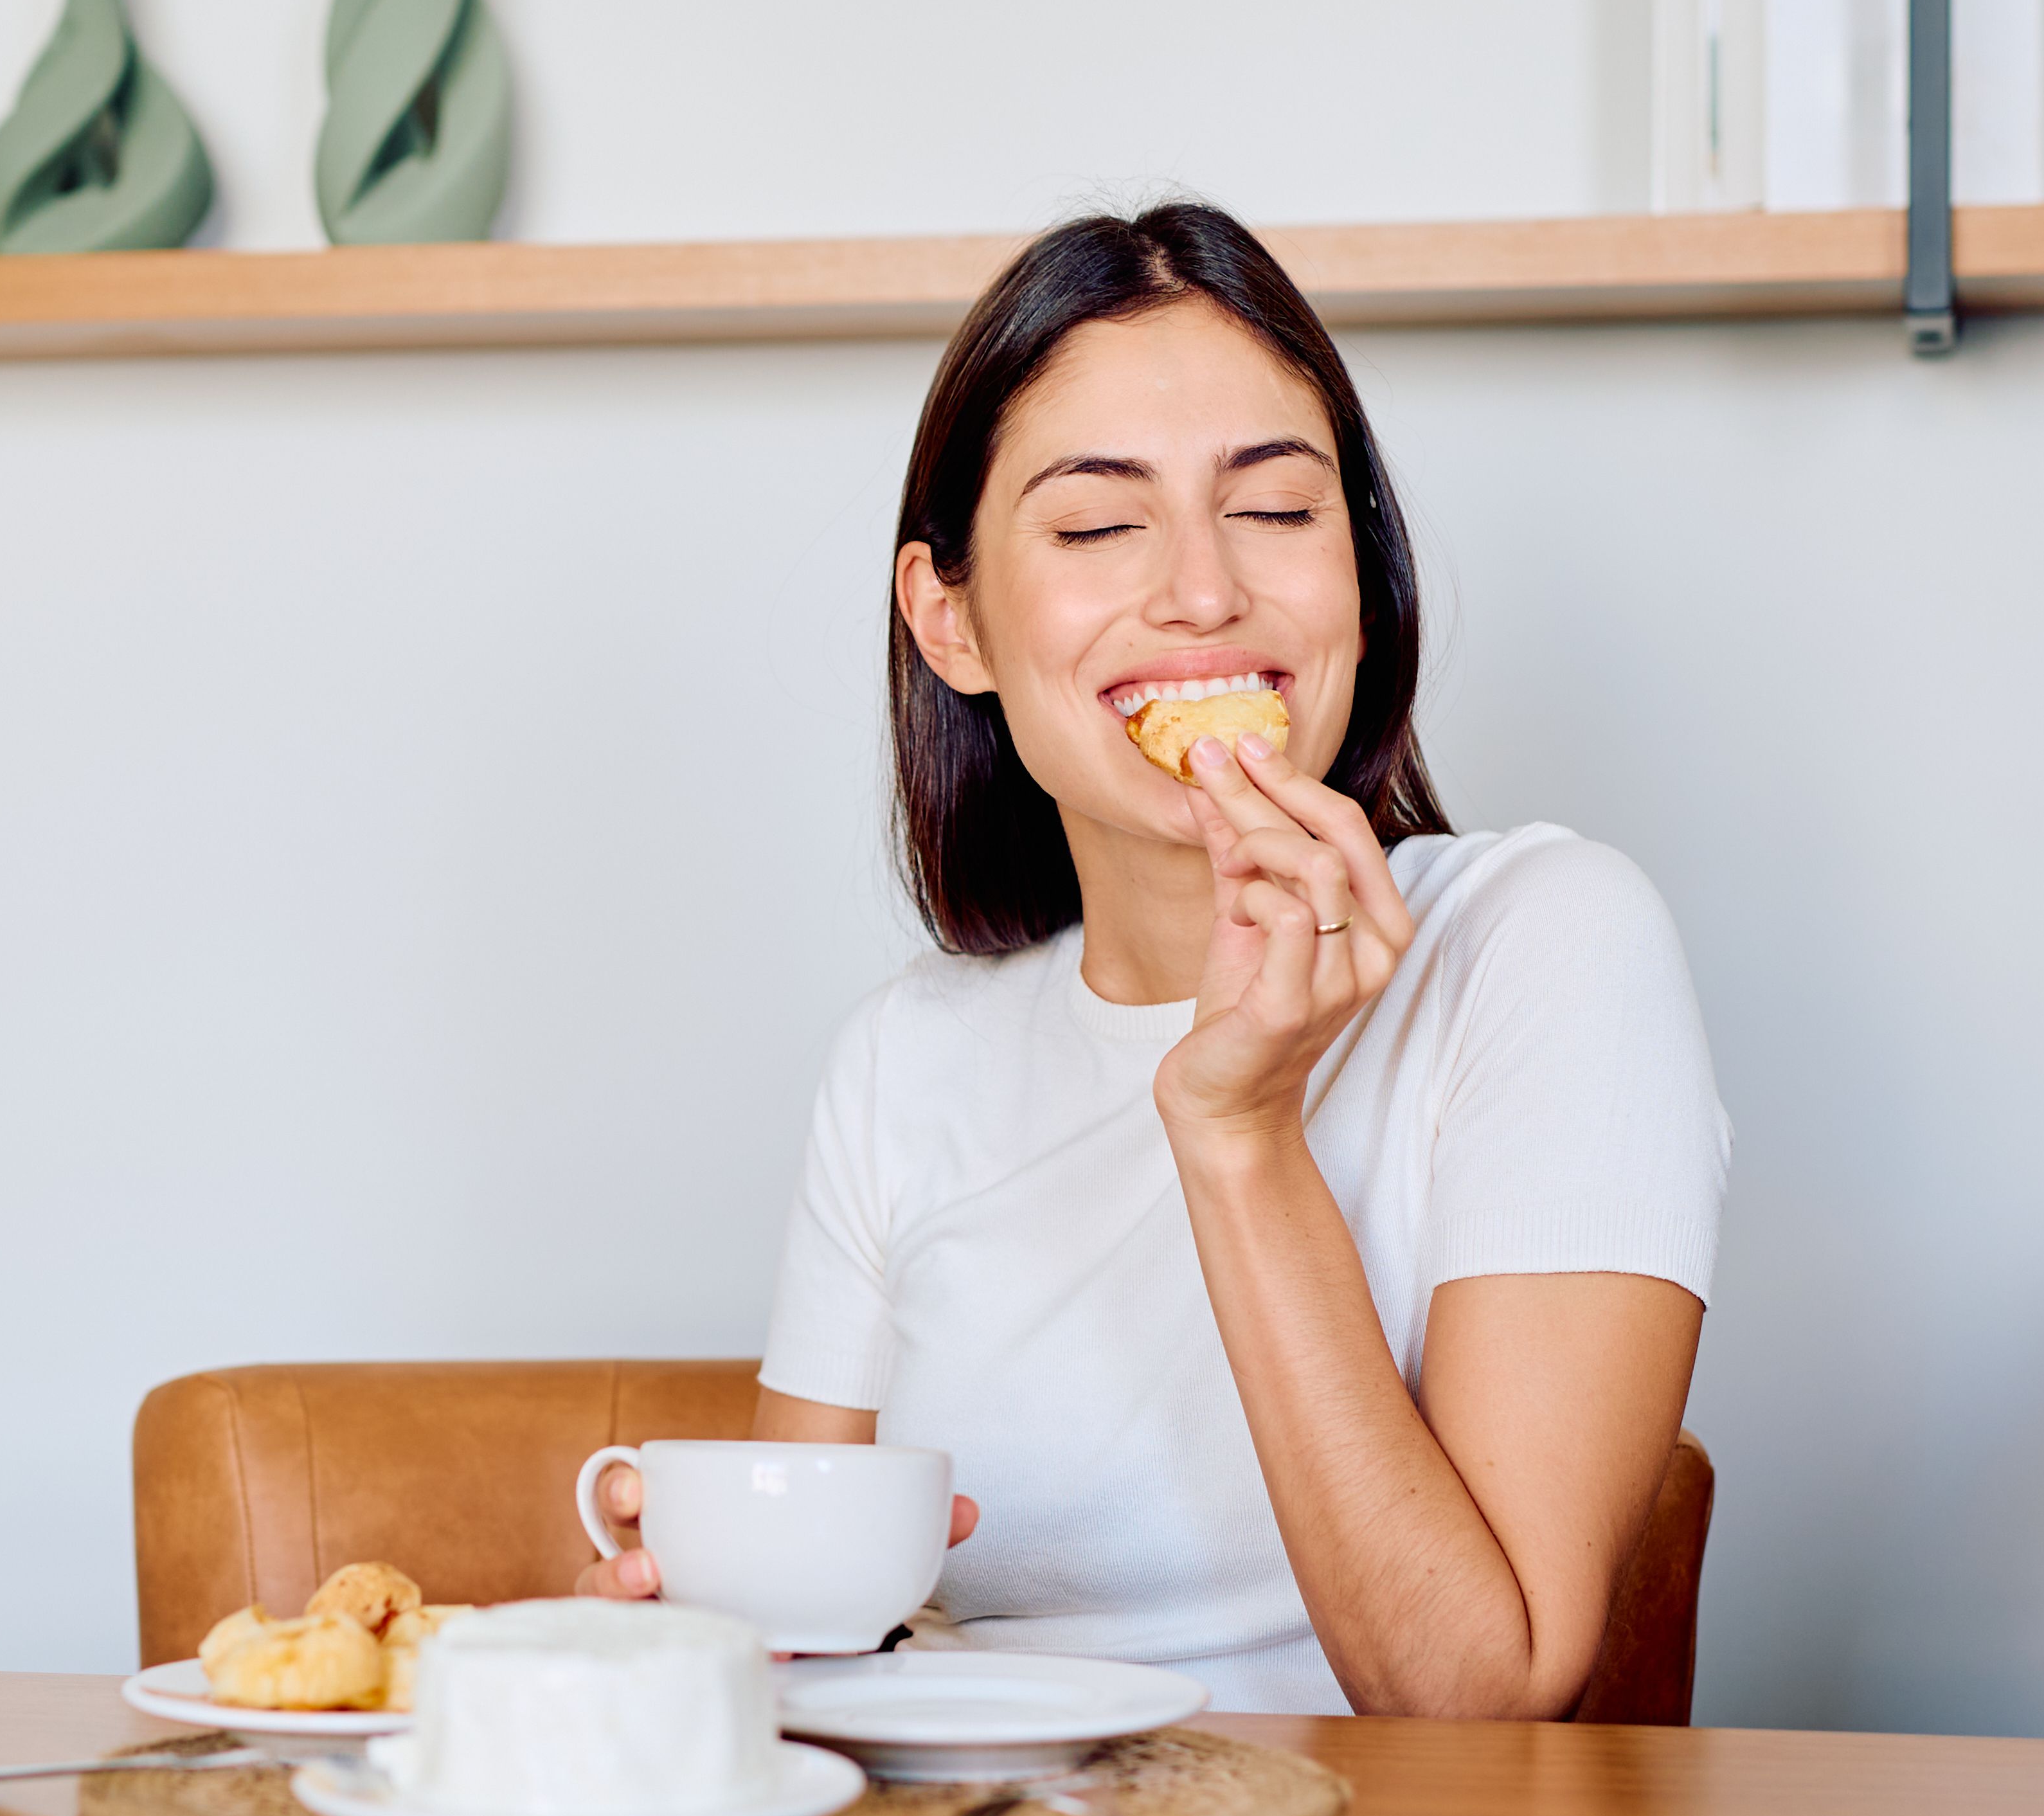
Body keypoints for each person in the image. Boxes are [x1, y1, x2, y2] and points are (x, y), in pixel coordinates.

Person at [580, 203, 1728, 1719]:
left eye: (1276, 508)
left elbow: (1482, 1693)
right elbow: (806, 1643)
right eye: (1098, 524)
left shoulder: (1547, 942)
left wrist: (1240, 1131)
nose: (1202, 591)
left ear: (1363, 582)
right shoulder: (905, 1057)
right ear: (954, 620)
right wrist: (715, 1622)